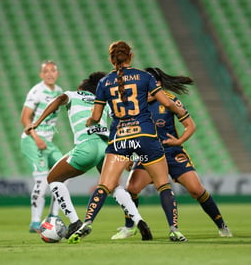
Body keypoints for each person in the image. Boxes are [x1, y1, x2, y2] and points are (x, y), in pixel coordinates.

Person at [69, 41, 188, 244]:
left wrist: (89, 121)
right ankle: (174, 230)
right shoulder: (145, 77)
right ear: (130, 56)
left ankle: (86, 223)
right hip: (146, 136)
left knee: (104, 185)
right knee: (162, 185)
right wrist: (182, 113)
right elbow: (167, 102)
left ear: (111, 59)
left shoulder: (104, 82)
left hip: (120, 138)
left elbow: (96, 117)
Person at [25, 72, 152, 241]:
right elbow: (122, 122)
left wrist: (37, 123)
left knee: (53, 179)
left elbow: (57, 101)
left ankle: (75, 222)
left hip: (87, 146)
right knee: (113, 186)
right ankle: (139, 221)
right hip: (107, 147)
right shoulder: (104, 103)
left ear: (81, 88)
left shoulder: (71, 94)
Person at [111, 67, 232, 239]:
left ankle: (221, 225)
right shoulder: (134, 104)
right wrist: (129, 155)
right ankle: (130, 227)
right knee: (132, 189)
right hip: (148, 153)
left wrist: (179, 141)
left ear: (158, 85)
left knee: (197, 190)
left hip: (171, 152)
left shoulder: (169, 100)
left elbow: (190, 125)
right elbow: (127, 131)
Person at [20, 60, 63, 233]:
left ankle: (53, 216)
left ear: (57, 73)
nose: (50, 74)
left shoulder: (59, 92)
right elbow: (24, 118)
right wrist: (36, 137)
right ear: (41, 75)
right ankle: (35, 222)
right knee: (42, 179)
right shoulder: (36, 91)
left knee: (64, 173)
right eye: (46, 71)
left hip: (48, 142)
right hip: (32, 139)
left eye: (53, 70)